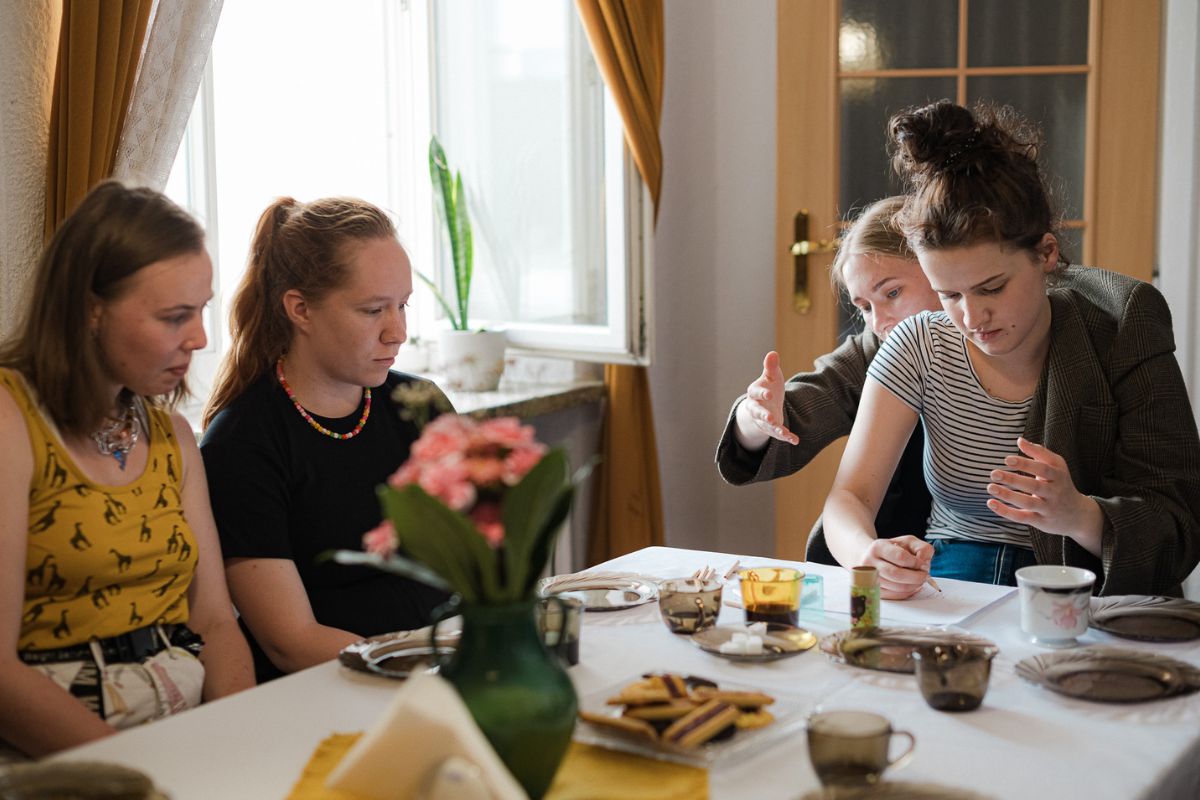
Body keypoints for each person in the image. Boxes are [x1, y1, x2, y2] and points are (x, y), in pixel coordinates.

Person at [823, 100, 1200, 599]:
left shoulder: (1119, 329)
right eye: (949, 295)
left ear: (1046, 255)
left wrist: (1079, 513)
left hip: (1087, 589)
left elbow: (1180, 524)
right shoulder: (918, 344)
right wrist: (865, 553)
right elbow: (848, 497)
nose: (972, 318)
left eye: (992, 288)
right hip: (951, 584)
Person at [0, 181, 254, 758]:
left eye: (202, 311)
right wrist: (137, 777)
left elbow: (214, 621)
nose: (200, 337)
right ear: (91, 309)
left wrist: (240, 743)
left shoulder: (173, 436)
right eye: (174, 317)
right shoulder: (11, 420)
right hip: (61, 746)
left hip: (179, 722)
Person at [201, 197, 452, 683]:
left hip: (440, 659)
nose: (397, 332)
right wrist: (430, 668)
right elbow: (291, 641)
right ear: (300, 310)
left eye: (402, 306)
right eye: (372, 310)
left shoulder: (420, 405)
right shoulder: (242, 445)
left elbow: (482, 559)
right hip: (335, 687)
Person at [715, 196, 941, 563]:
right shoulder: (874, 350)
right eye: (864, 307)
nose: (879, 321)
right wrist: (754, 416)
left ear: (940, 267)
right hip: (877, 551)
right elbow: (803, 405)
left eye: (893, 293)